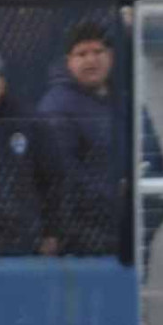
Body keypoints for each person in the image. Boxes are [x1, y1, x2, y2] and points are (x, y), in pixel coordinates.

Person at [37, 20, 123, 257]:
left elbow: (153, 160)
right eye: (82, 53)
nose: (91, 60)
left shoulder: (127, 101)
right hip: (81, 242)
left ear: (111, 56)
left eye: (98, 51)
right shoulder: (56, 107)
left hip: (127, 236)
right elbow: (64, 177)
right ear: (69, 61)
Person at [0, 51, 61, 256]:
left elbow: (52, 177)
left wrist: (51, 232)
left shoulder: (29, 122)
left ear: (1, 83)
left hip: (23, 236)